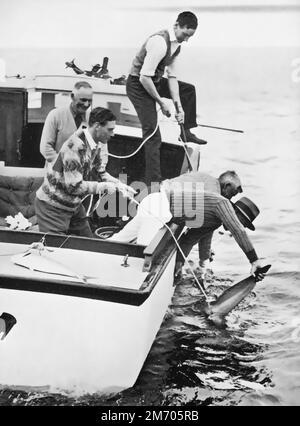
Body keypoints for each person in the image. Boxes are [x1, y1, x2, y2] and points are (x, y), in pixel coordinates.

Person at [109, 171, 265, 279]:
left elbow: (190, 239)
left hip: (154, 201)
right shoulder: (222, 203)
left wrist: (179, 263)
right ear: (235, 213)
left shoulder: (215, 221)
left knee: (118, 240)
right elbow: (239, 231)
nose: (241, 225)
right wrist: (254, 261)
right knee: (143, 258)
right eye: (243, 222)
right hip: (160, 206)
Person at [127, 11, 207, 186]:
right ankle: (153, 183)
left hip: (152, 81)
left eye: (190, 37)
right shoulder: (159, 43)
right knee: (153, 135)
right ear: (176, 26)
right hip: (138, 85)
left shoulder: (176, 46)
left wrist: (179, 108)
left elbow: (172, 78)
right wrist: (161, 102)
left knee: (188, 90)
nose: (186, 40)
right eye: (185, 35)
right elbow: (143, 78)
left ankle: (186, 131)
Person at [35, 108, 135, 237]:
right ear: (97, 126)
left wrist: (118, 184)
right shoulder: (75, 146)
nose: (113, 134)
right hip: (52, 207)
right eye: (110, 130)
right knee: (55, 249)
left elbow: (101, 173)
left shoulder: (95, 144)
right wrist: (103, 187)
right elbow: (74, 186)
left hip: (73, 205)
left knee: (90, 245)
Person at [40, 81, 93, 163]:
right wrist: (64, 166)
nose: (86, 104)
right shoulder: (55, 115)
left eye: (89, 101)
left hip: (83, 172)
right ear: (72, 96)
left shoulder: (92, 118)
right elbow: (45, 148)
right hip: (57, 172)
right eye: (83, 100)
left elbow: (100, 147)